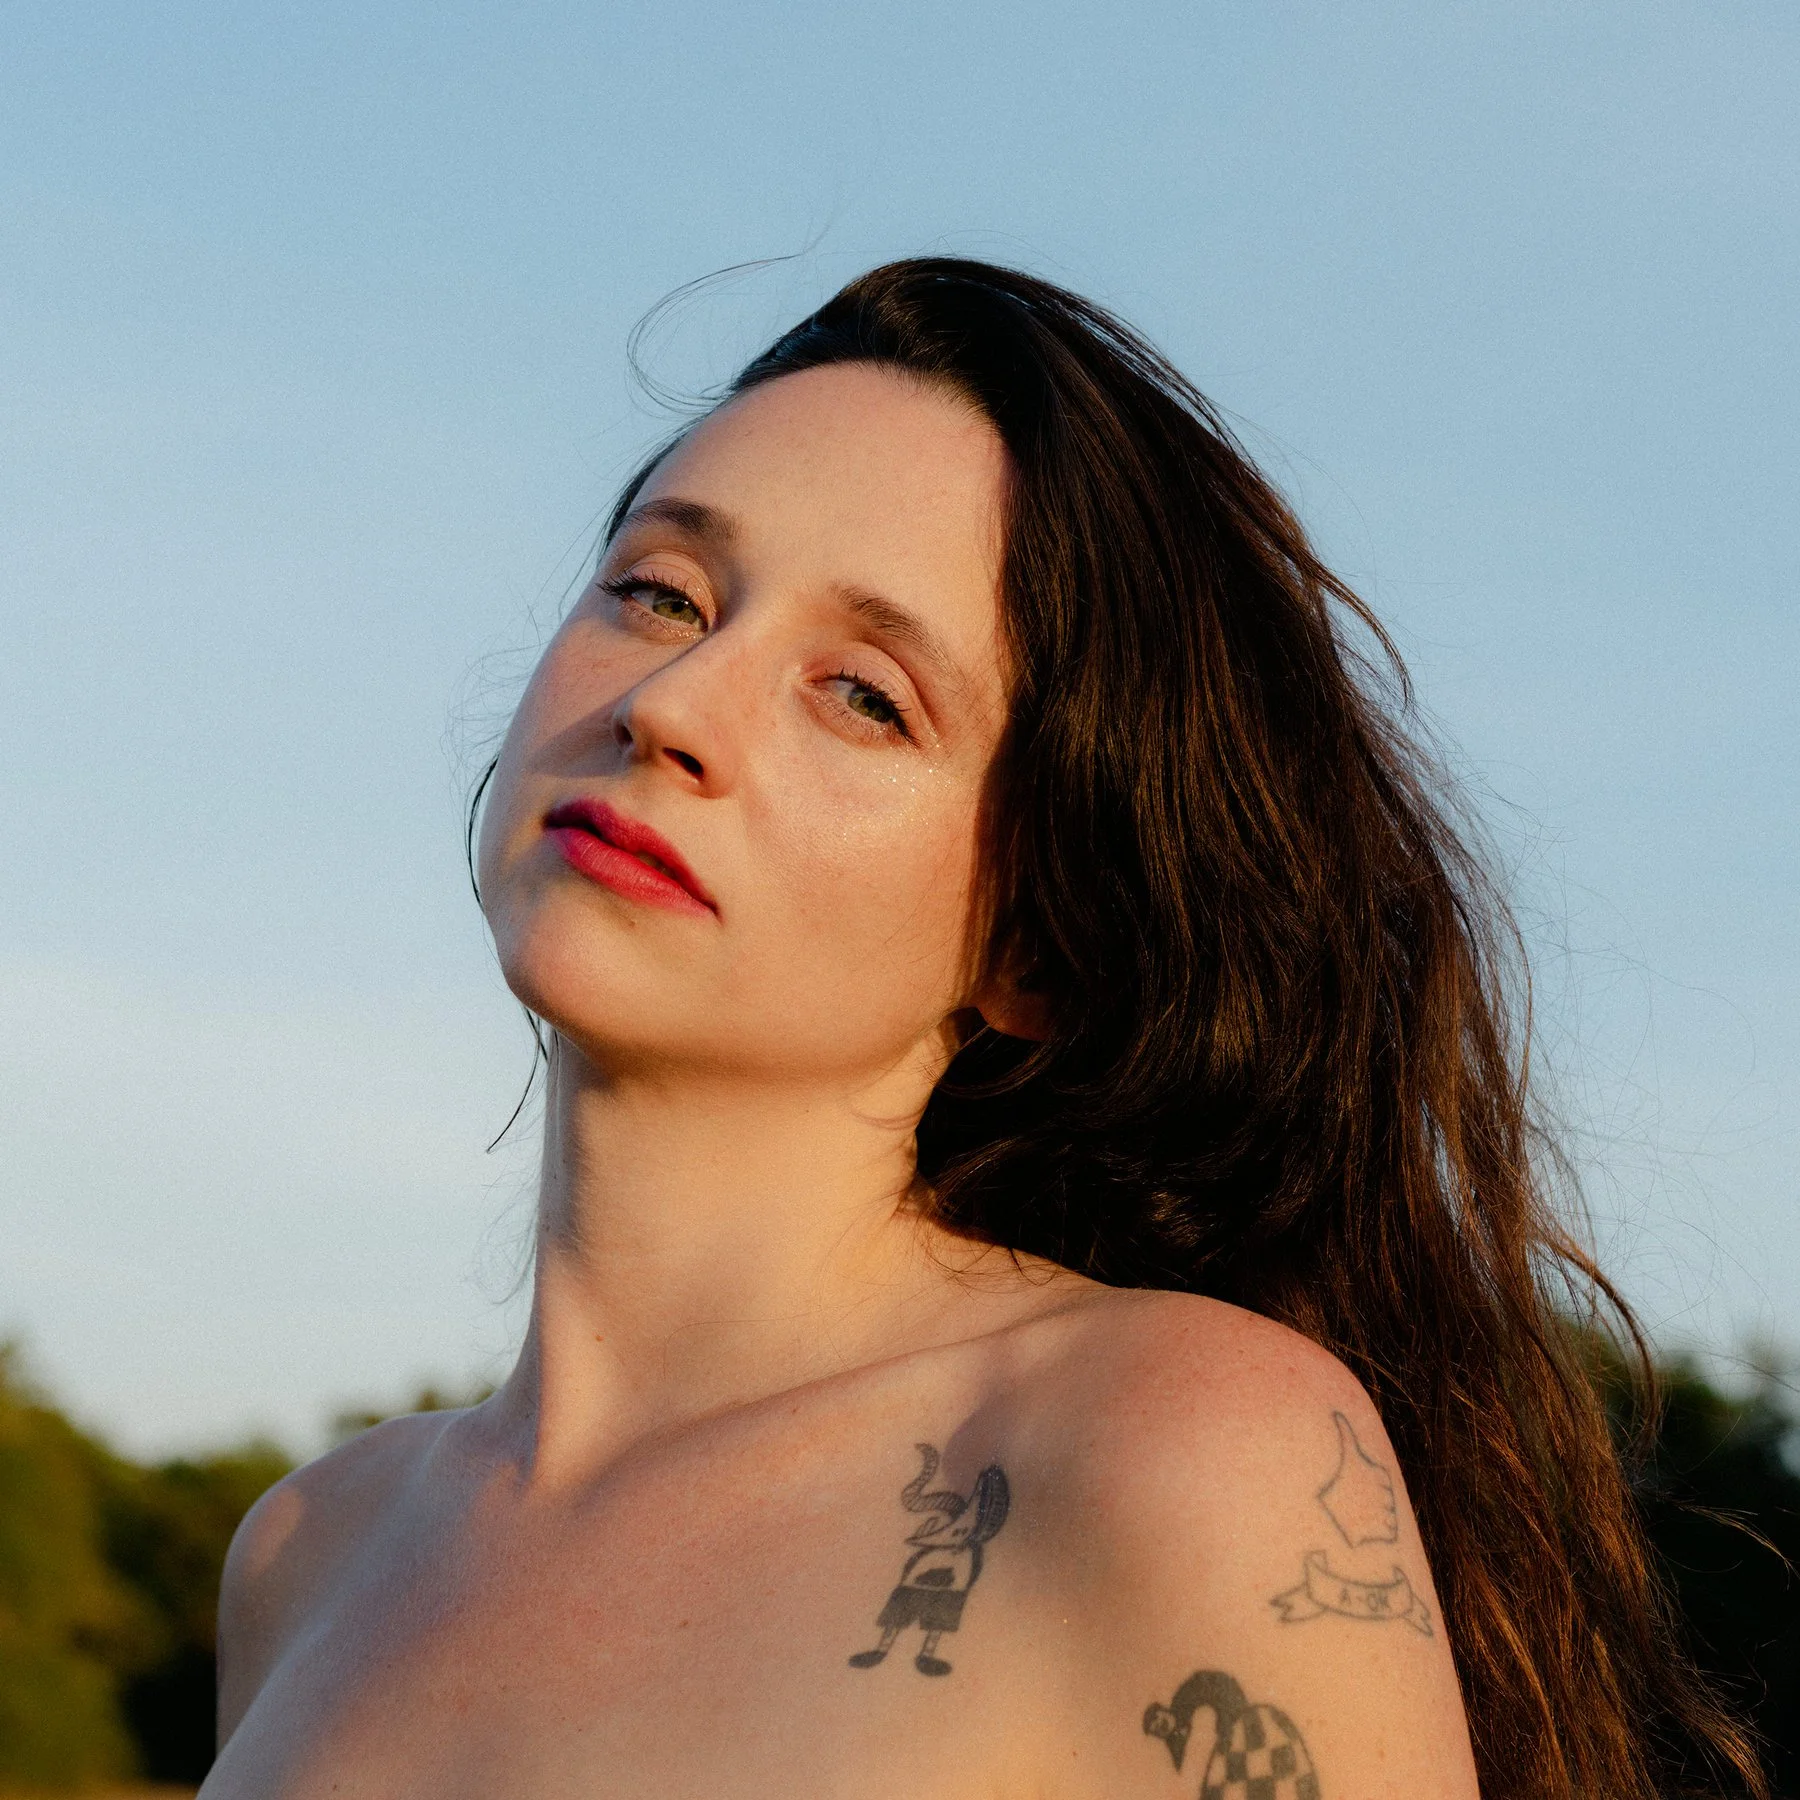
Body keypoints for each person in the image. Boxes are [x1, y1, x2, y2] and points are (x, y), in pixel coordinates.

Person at [204, 259, 1765, 1799]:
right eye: (658, 591)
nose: (672, 705)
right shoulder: (307, 1553)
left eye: (865, 695)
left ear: (1037, 945)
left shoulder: (1170, 1447)